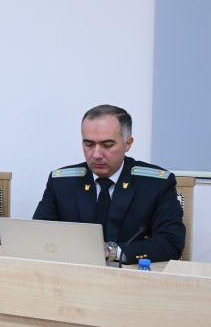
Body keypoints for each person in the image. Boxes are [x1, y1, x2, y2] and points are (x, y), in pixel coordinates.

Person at [33, 104, 185, 264]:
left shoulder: (156, 184)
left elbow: (171, 243)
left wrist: (114, 252)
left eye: (107, 145)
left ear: (128, 143)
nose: (97, 154)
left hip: (131, 276)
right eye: (89, 145)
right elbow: (38, 235)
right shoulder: (61, 182)